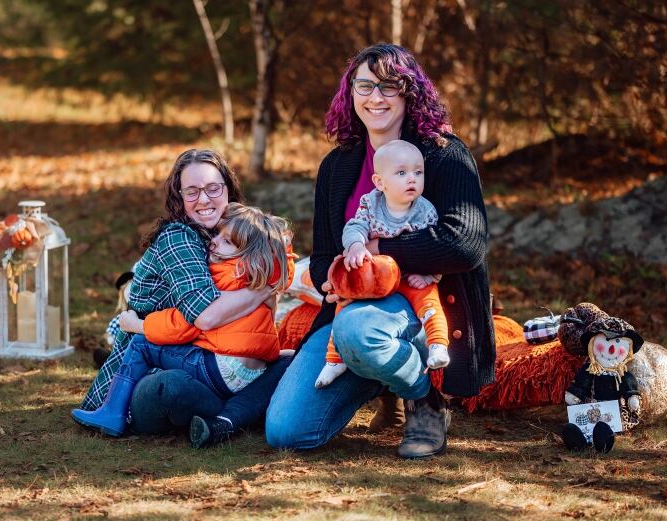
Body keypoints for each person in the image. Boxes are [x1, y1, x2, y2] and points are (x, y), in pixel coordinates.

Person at [265, 43, 495, 459]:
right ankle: (383, 375)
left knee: (357, 330)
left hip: (423, 305)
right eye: (365, 85)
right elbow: (321, 260)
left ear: (410, 92)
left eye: (390, 86)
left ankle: (423, 397)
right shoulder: (337, 166)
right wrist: (332, 278)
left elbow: (466, 243)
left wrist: (380, 249)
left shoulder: (444, 156)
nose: (376, 97)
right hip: (352, 307)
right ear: (350, 93)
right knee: (286, 430)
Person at [77, 149, 292, 445]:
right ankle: (234, 414)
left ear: (228, 188)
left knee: (294, 358)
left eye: (213, 188)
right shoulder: (180, 237)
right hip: (155, 375)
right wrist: (264, 287)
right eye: (192, 192)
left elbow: (279, 263)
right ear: (179, 196)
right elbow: (204, 317)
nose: (203, 200)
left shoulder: (233, 238)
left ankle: (223, 420)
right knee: (172, 386)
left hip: (210, 363)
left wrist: (266, 285)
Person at [314, 139, 449, 388]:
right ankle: (335, 359)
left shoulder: (425, 210)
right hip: (375, 278)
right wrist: (355, 245)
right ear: (379, 182)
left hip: (411, 276)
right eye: (401, 173)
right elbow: (356, 226)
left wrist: (431, 276)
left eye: (418, 172)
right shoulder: (371, 203)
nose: (412, 179)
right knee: (344, 303)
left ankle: (438, 345)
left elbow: (437, 248)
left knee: (429, 301)